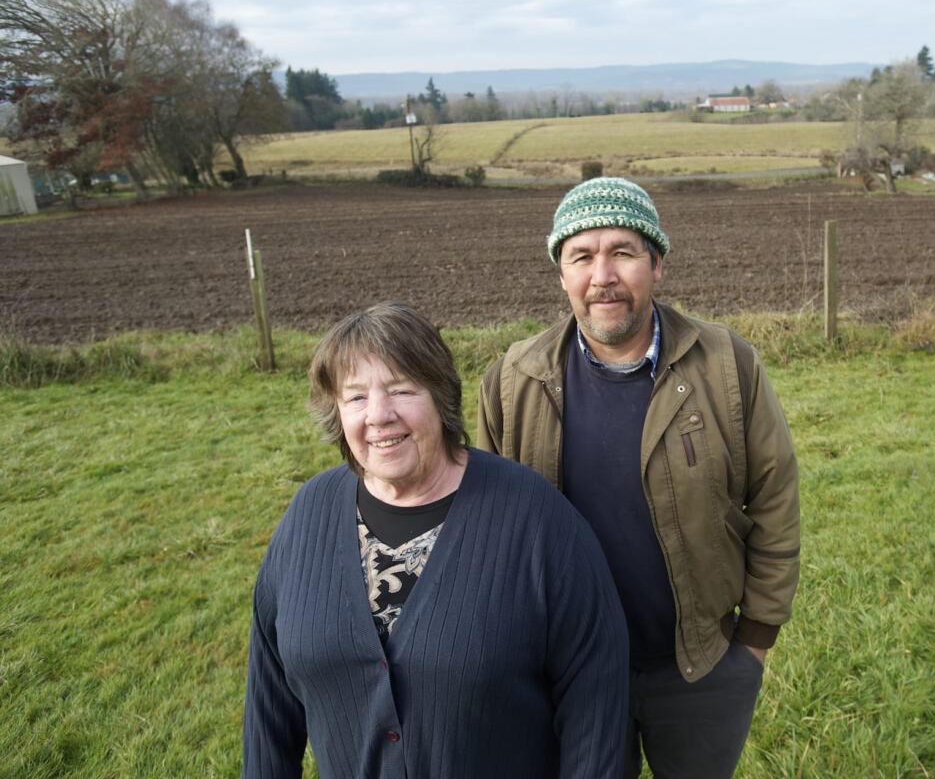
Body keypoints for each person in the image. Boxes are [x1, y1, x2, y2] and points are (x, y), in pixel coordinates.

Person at [476, 177, 800, 778]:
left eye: (622, 252)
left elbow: (775, 499)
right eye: (582, 256)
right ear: (562, 273)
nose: (603, 275)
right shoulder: (511, 381)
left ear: (657, 264)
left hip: (700, 666)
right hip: (567, 674)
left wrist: (753, 641)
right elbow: (486, 537)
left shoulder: (728, 365)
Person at [243, 302, 628, 779]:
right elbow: (269, 703)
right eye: (356, 397)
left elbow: (596, 705)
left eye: (401, 390)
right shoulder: (307, 516)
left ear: (440, 396)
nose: (379, 416)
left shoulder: (538, 522)